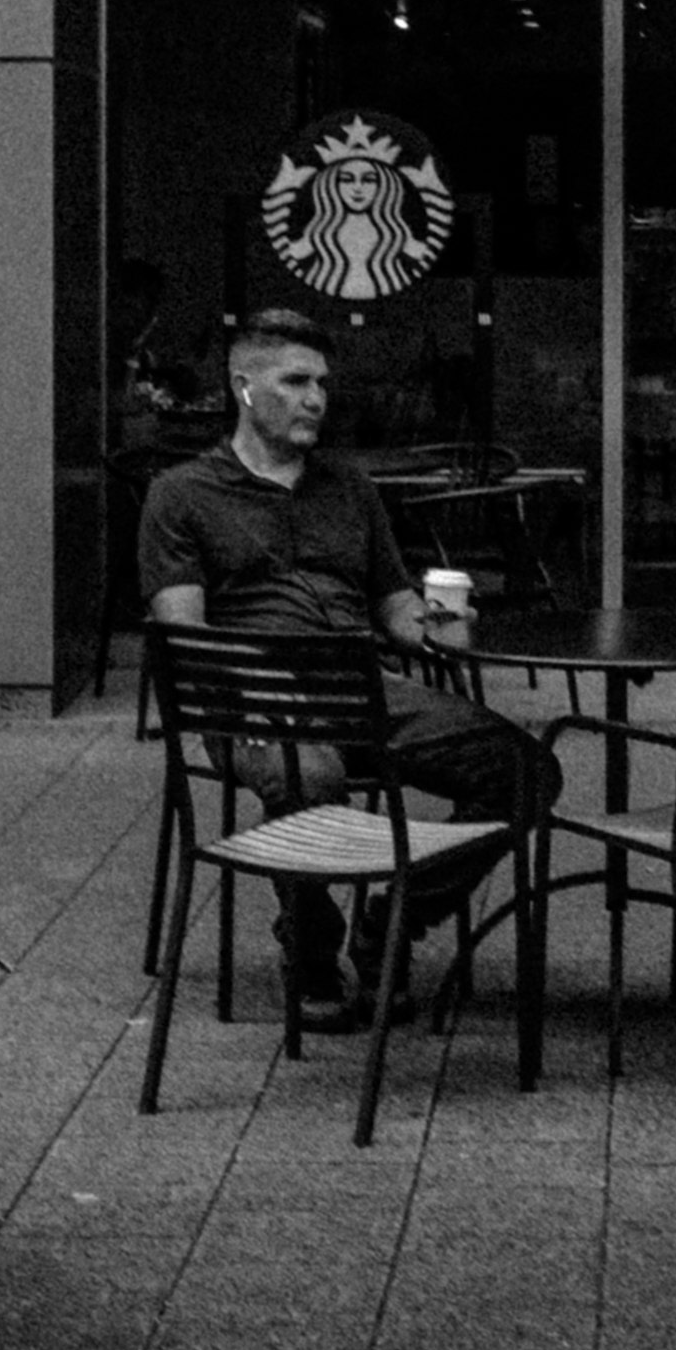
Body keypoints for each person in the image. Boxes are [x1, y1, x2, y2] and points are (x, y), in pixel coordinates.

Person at [140, 304, 556, 1021]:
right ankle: (310, 948)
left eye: (322, 384)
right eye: (296, 382)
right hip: (253, 696)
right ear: (244, 386)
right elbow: (185, 636)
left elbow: (392, 603)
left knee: (524, 771)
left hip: (363, 688)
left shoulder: (348, 488)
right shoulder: (182, 495)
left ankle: (394, 922)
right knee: (311, 773)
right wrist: (253, 697)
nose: (315, 400)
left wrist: (434, 625)